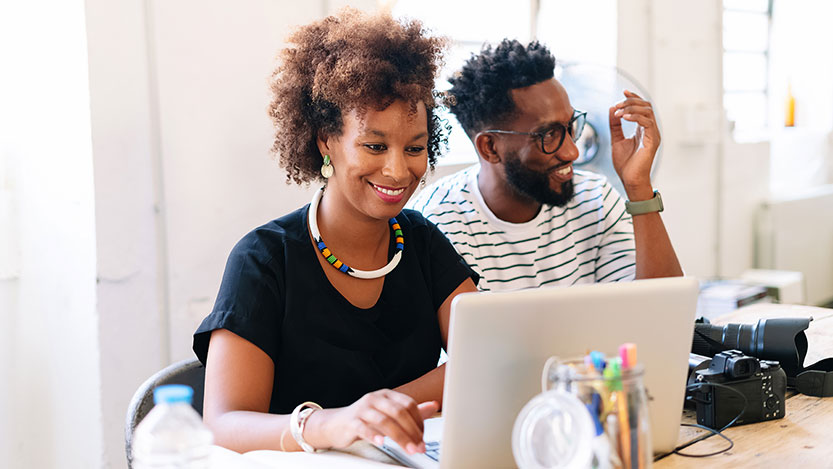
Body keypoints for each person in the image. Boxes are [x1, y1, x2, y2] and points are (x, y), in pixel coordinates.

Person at [192, 9, 478, 456]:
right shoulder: (264, 260)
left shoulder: (420, 241)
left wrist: (383, 411)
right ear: (327, 139)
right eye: (375, 145)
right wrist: (333, 423)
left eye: (416, 148)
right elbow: (224, 424)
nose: (398, 170)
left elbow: (485, 359)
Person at [409, 40, 683, 291]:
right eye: (548, 134)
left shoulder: (596, 198)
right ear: (490, 148)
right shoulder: (439, 221)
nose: (573, 151)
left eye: (570, 126)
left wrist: (638, 188)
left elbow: (662, 310)